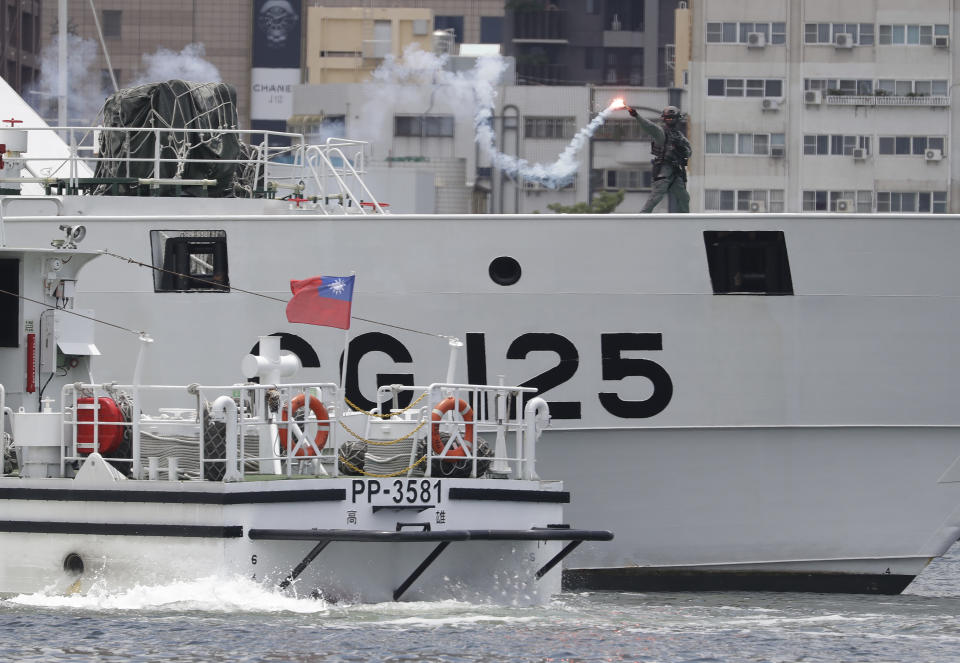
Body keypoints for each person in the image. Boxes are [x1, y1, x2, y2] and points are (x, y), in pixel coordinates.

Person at [625, 105, 691, 213]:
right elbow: (649, 126)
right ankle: (643, 216)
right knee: (657, 196)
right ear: (664, 119)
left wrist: (682, 149)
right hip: (663, 170)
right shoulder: (661, 133)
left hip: (676, 171)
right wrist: (637, 116)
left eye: (672, 118)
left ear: (677, 119)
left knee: (684, 197)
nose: (670, 120)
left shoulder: (680, 137)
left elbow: (689, 152)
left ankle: (686, 220)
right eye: (668, 118)